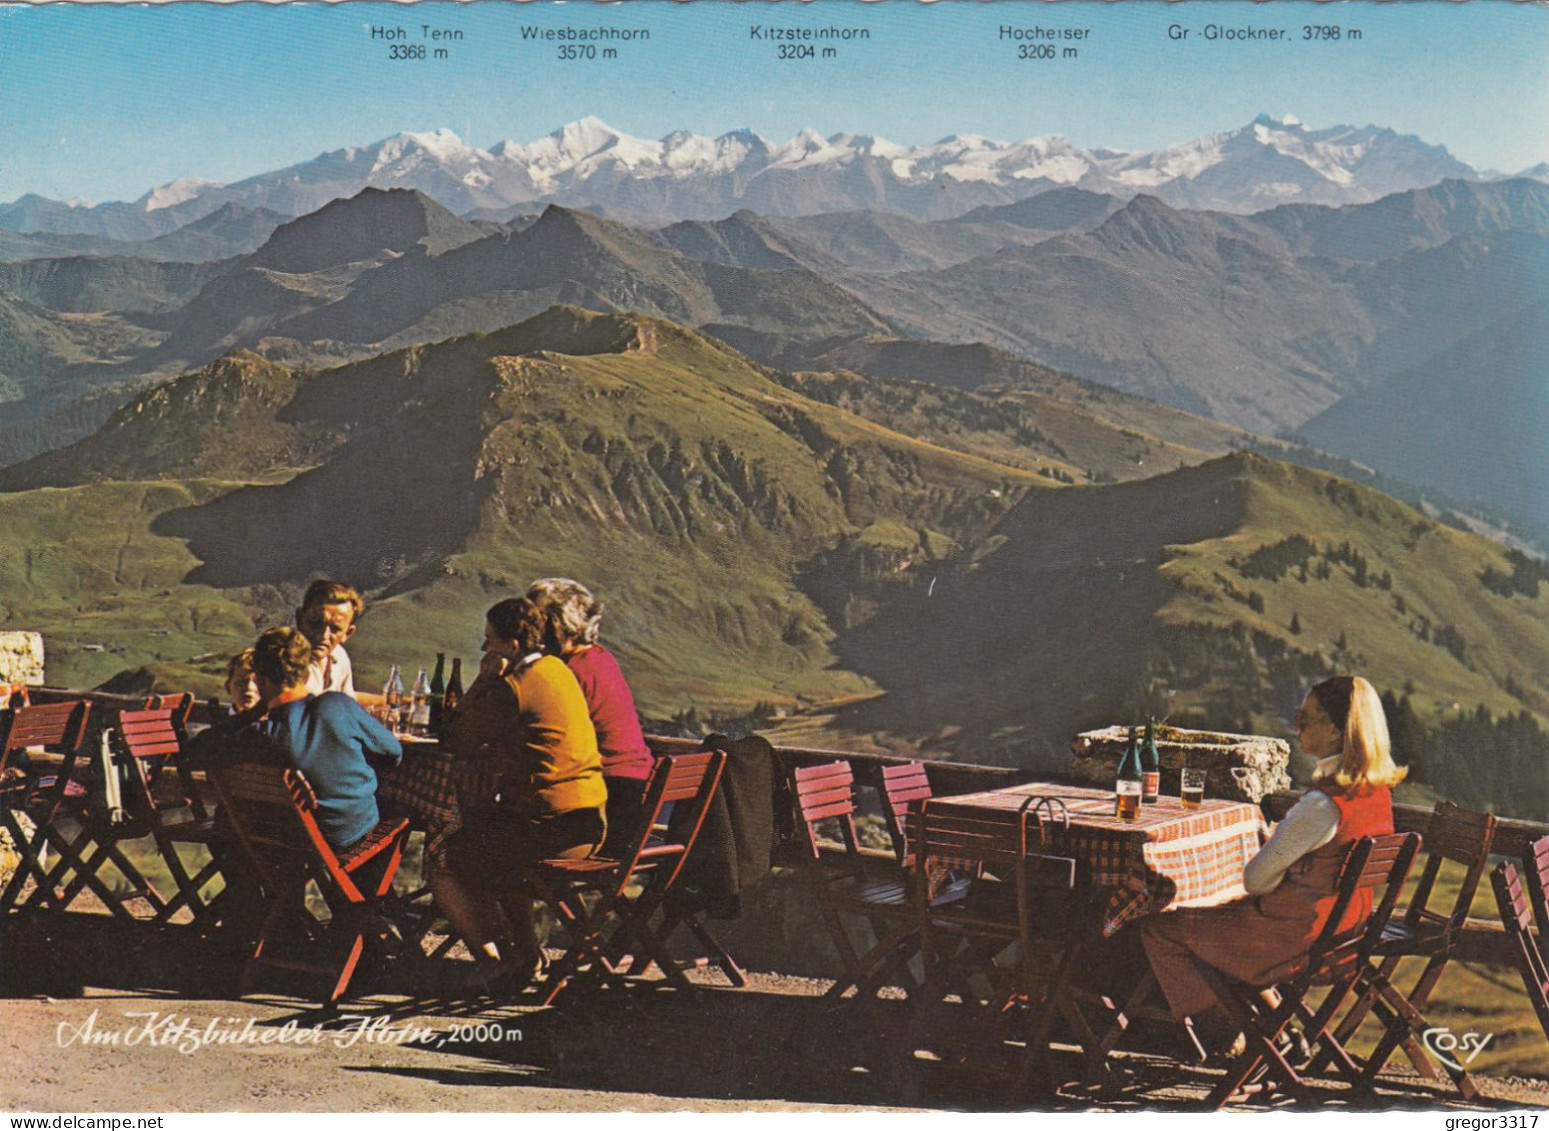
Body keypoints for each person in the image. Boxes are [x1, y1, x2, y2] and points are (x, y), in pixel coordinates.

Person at [1139, 675, 1405, 1052]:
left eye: (1306, 719)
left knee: (1160, 928)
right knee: (1215, 923)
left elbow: (1254, 880)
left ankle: (1228, 1031)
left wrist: (1280, 863)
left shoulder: (1321, 805)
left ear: (1334, 730)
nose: (1296, 726)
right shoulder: (1376, 793)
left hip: (1290, 937)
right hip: (1343, 933)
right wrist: (1295, 864)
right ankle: (1274, 1032)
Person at [434, 596, 607, 983]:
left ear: (512, 645)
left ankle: (501, 962)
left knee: (447, 859)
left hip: (549, 832)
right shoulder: (558, 670)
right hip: (587, 823)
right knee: (496, 837)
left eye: (490, 639)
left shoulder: (514, 686)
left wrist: (482, 679)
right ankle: (526, 954)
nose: (485, 648)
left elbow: (456, 738)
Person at [250, 626, 402, 851]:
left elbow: (197, 749)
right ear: (305, 673)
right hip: (352, 834)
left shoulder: (260, 734)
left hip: (295, 842)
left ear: (259, 680)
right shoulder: (337, 705)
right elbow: (393, 752)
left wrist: (249, 714)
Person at [526, 577, 654, 844]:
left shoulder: (569, 672)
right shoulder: (599, 658)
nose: (529, 628)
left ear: (556, 623)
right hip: (631, 799)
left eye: (536, 620)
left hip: (603, 806)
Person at [295, 579, 362, 698]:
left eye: (335, 629)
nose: (323, 635)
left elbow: (348, 701)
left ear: (347, 633)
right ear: (300, 619)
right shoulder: (285, 661)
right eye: (315, 623)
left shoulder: (339, 657)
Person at [224, 649, 260, 714]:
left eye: (258, 682)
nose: (249, 687)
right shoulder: (217, 721)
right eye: (241, 682)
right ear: (228, 687)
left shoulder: (280, 722)